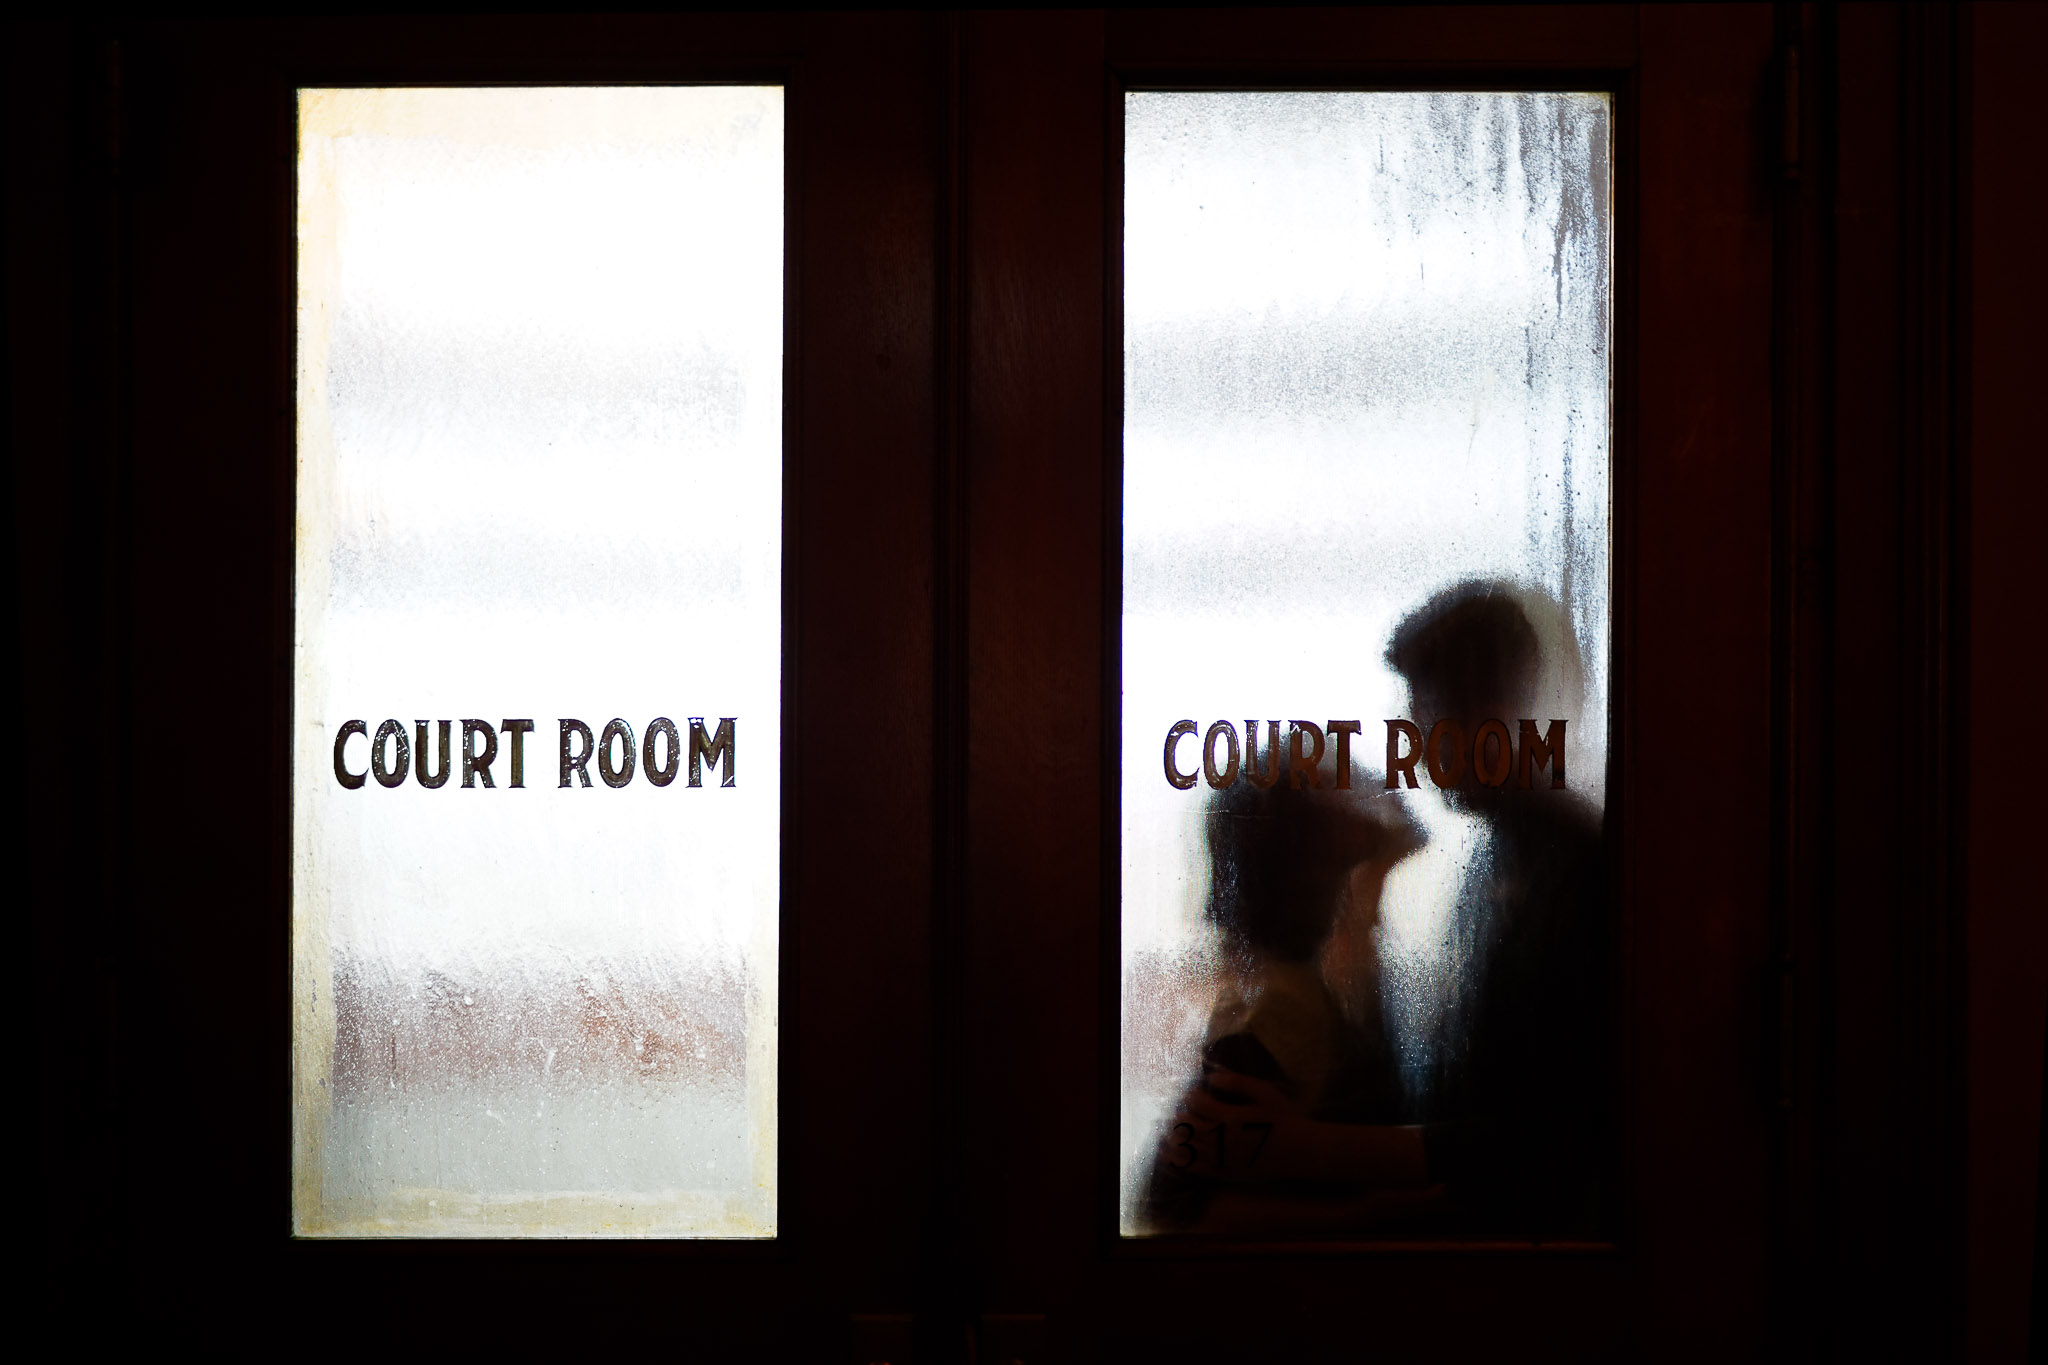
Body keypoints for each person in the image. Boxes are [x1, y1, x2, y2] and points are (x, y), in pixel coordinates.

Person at [1159, 580, 1614, 1236]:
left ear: (1487, 711)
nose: (1407, 742)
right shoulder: (1502, 867)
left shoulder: (1558, 868)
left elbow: (1553, 1131)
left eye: (1423, 710)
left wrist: (1321, 1159)